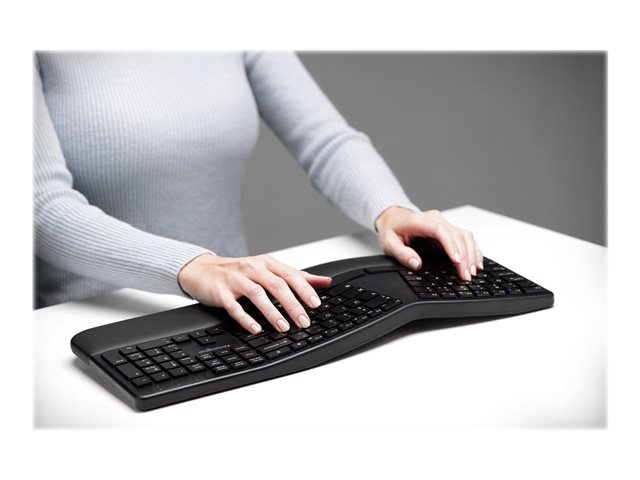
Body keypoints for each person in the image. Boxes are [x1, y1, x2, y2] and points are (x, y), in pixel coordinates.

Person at [34, 51, 483, 334]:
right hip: (88, 321)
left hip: (237, 307)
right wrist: (193, 266)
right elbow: (40, 206)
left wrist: (391, 210)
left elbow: (325, 139)